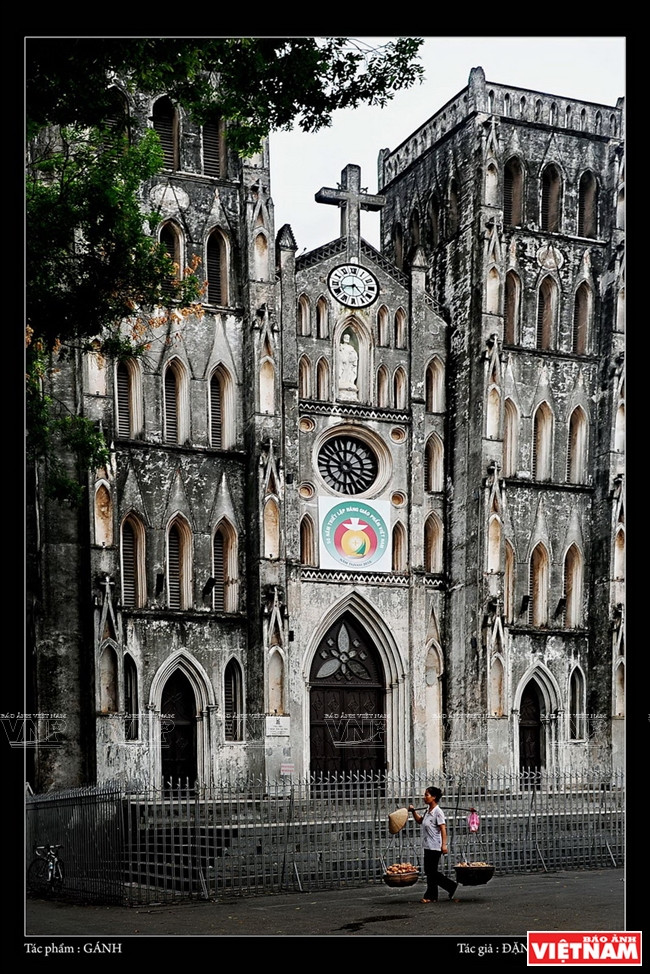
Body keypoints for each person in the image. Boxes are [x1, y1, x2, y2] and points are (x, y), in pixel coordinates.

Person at [409, 786, 459, 904]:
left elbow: (443, 829)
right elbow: (420, 821)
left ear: (434, 797)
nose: (424, 797)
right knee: (430, 872)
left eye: (427, 795)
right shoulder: (428, 810)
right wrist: (413, 812)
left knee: (431, 872)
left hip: (436, 846)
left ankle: (440, 891)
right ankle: (437, 893)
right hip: (428, 845)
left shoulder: (438, 812)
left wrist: (444, 845)